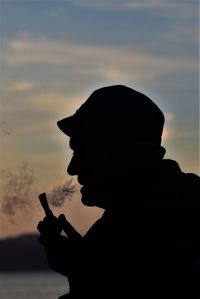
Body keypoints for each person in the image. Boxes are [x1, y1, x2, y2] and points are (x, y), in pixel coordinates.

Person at [37, 85, 200, 298]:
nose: (72, 167)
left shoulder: (147, 223)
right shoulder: (167, 205)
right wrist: (88, 262)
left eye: (82, 151)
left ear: (120, 152)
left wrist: (86, 272)